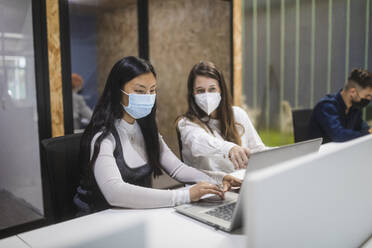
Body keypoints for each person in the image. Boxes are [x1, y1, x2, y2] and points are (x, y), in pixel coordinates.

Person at [74, 56, 241, 215]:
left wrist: (218, 180)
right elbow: (115, 192)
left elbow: (178, 169)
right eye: (139, 91)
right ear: (117, 92)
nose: (147, 97)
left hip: (134, 218)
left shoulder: (146, 130)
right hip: (98, 223)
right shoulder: (103, 136)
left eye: (152, 90)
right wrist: (185, 196)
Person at [176, 61, 267, 174]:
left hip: (243, 184)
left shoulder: (237, 114)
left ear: (221, 90)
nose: (207, 95)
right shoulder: (186, 123)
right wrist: (229, 149)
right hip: (209, 188)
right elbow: (198, 142)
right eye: (200, 91)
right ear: (192, 94)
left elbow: (259, 150)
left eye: (212, 89)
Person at [308, 68, 372, 143]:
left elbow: (363, 128)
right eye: (367, 96)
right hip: (321, 153)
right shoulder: (326, 106)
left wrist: (368, 131)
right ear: (353, 92)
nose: (369, 99)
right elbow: (338, 135)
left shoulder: (355, 108)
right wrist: (367, 133)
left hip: (343, 151)